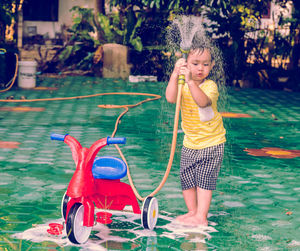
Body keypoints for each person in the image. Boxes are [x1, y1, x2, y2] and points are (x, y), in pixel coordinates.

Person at [165, 42, 226, 226]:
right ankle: (192, 211)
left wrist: (190, 81)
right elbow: (170, 98)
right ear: (186, 64)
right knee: (187, 178)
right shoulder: (182, 84)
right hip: (190, 142)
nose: (200, 68)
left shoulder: (210, 86)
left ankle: (201, 216)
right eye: (195, 63)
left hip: (211, 142)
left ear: (212, 65)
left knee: (204, 180)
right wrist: (175, 75)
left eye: (205, 64)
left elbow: (203, 102)